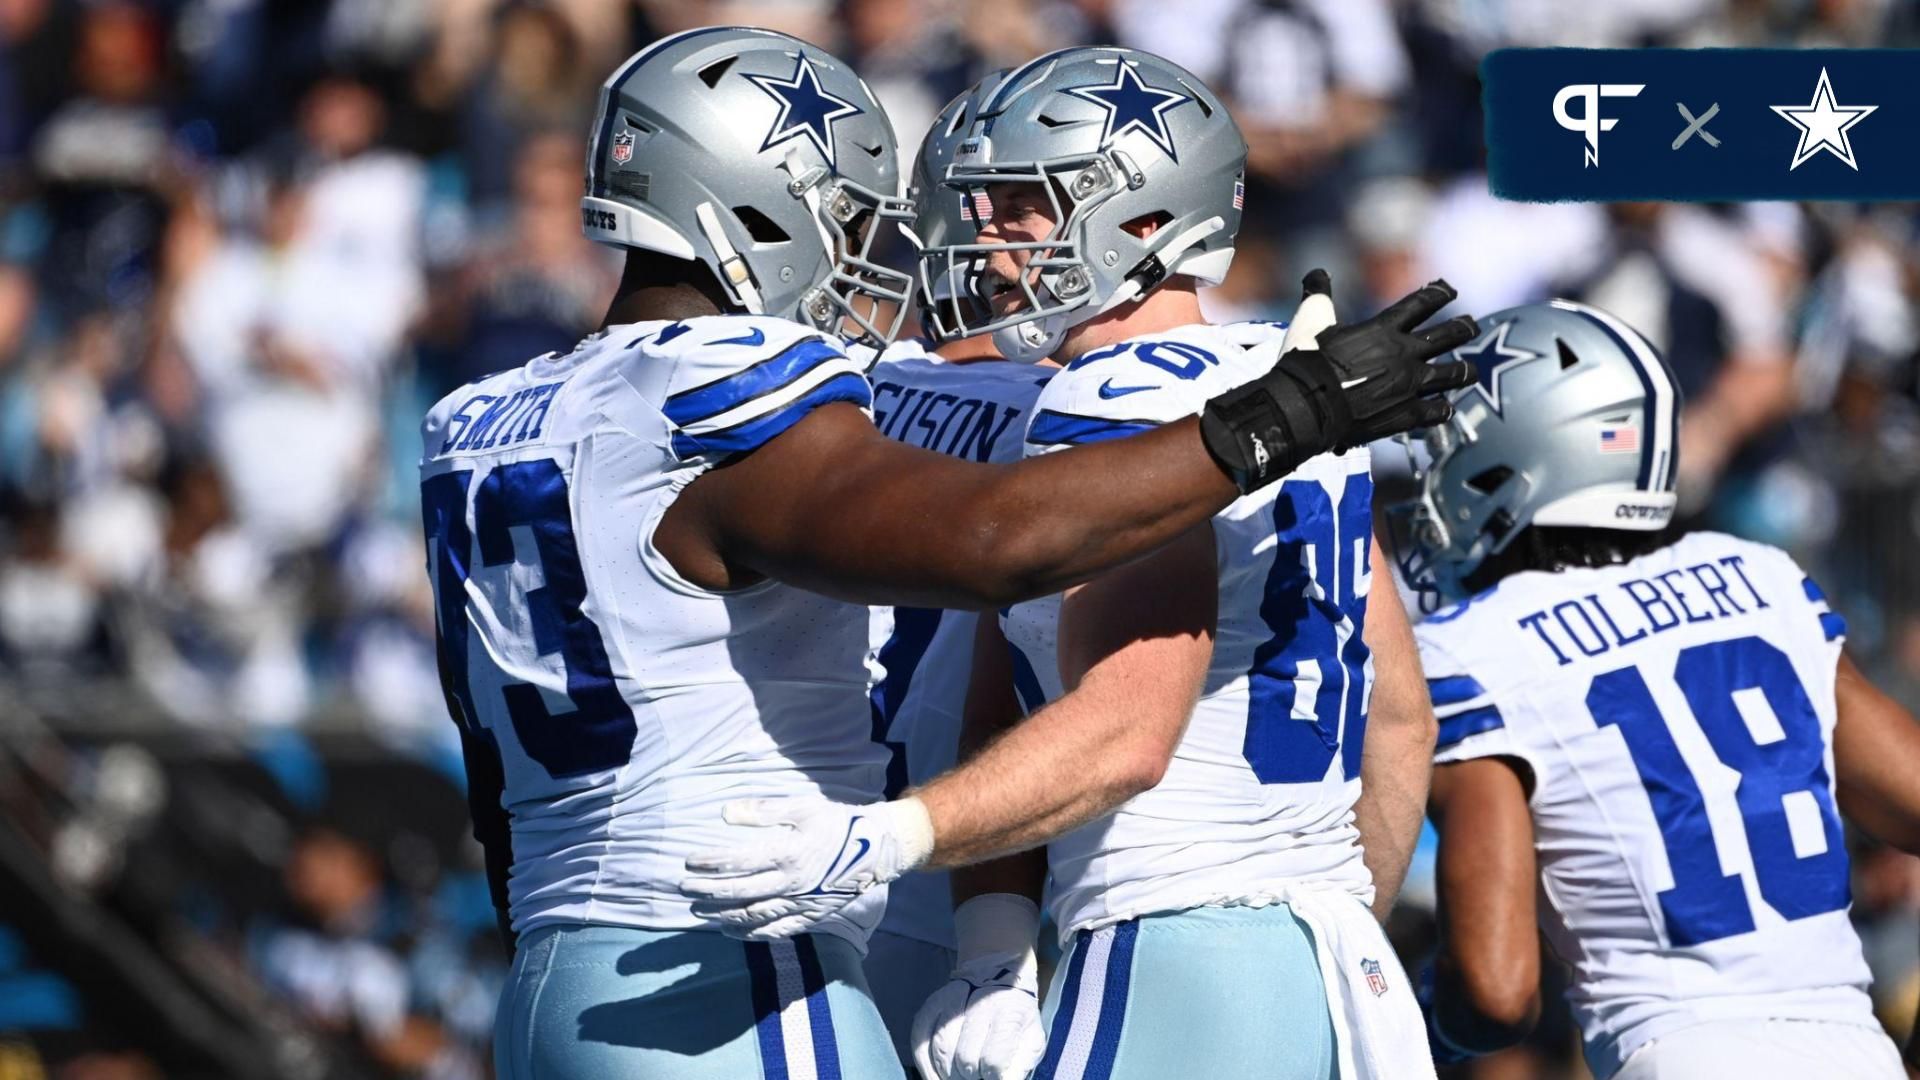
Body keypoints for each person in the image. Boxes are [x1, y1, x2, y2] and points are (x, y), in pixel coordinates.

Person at [419, 27, 1475, 1080]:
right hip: (732, 962)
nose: (875, 250)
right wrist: (1282, 413)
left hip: (562, 971)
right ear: (751, 202)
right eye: (842, 214)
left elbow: (490, 776)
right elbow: (1001, 542)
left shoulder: (479, 417)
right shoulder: (732, 392)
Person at [1403, 300, 1920, 1079]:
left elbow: (1497, 991)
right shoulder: (1761, 578)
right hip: (1855, 1052)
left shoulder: (1473, 647)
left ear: (1528, 452)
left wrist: (1406, 1024)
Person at [858, 69, 1057, 1065]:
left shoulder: (856, 384)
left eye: (1023, 205)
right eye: (984, 205)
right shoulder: (1100, 414)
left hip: (837, 865)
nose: (988, 231)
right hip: (989, 886)